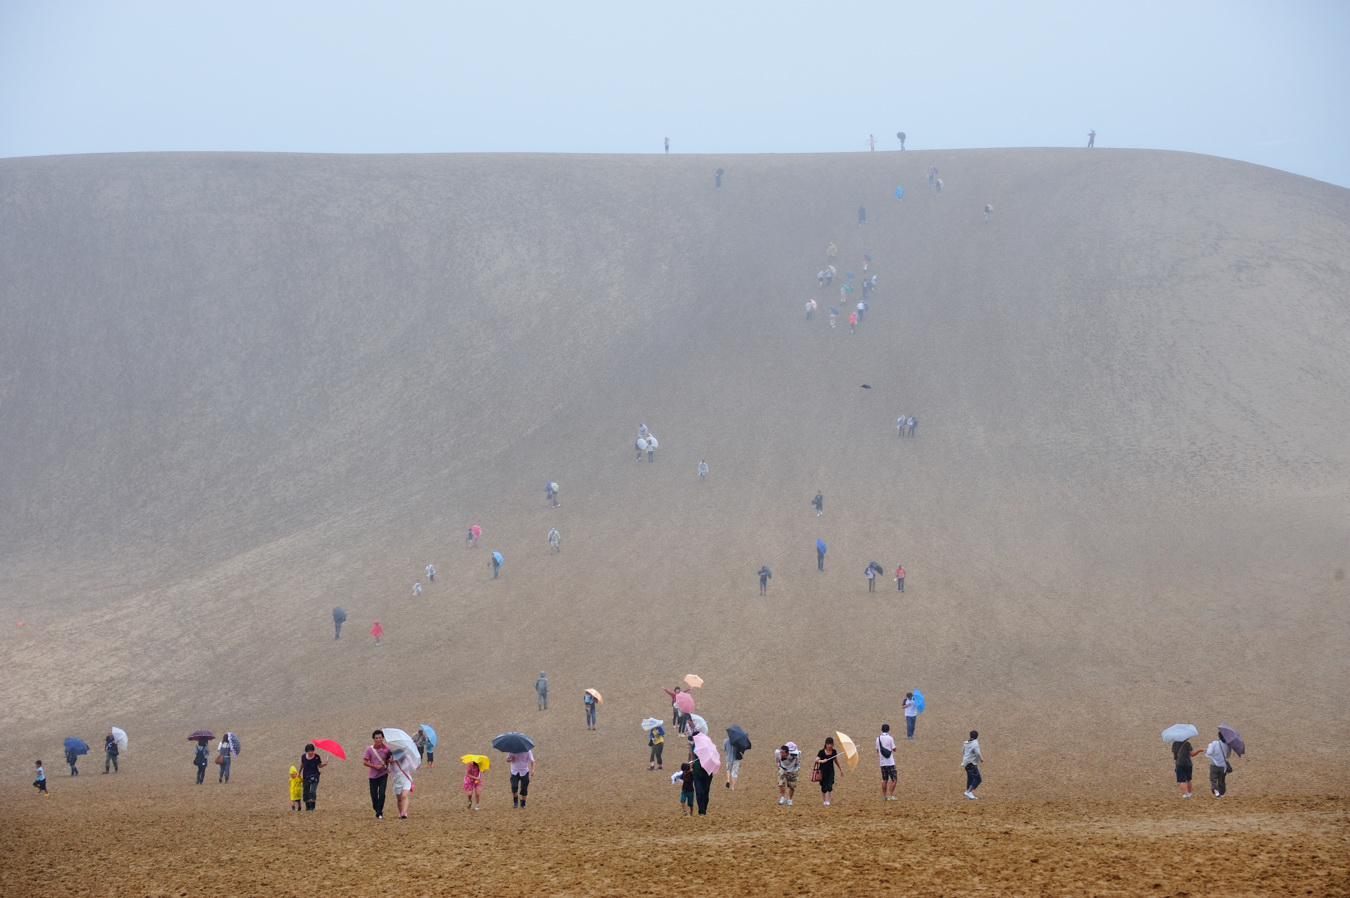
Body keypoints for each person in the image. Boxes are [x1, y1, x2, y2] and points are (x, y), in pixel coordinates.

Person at [815, 737, 843, 805]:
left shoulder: (834, 752)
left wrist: (840, 769)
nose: (829, 746)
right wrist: (822, 761)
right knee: (824, 786)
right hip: (822, 771)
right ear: (826, 744)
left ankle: (828, 800)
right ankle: (824, 800)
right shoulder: (821, 752)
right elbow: (817, 760)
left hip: (830, 771)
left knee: (830, 786)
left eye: (831, 744)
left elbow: (836, 761)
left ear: (833, 744)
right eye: (828, 744)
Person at [299, 743, 327, 811]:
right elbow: (302, 764)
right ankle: (307, 807)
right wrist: (299, 772)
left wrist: (324, 764)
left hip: (315, 775)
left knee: (312, 791)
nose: (310, 752)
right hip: (306, 776)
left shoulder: (317, 757)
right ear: (306, 751)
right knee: (306, 791)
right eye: (309, 751)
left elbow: (319, 765)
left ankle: (313, 807)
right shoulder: (303, 756)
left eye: (312, 751)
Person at [1206, 733, 1233, 798]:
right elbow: (1228, 755)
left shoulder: (1215, 743)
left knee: (1213, 780)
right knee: (1221, 780)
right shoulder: (1228, 745)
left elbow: (1209, 753)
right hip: (1223, 766)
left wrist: (1209, 746)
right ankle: (1222, 794)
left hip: (1214, 764)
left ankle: (1217, 793)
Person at [877, 724, 898, 800]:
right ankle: (890, 795)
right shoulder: (890, 738)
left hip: (882, 762)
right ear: (888, 730)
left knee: (884, 780)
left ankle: (884, 796)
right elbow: (894, 749)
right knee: (894, 779)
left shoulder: (878, 739)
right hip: (890, 762)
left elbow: (877, 750)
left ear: (881, 729)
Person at [962, 731, 984, 799]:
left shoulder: (966, 743)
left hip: (966, 763)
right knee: (978, 779)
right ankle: (968, 792)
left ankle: (969, 794)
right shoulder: (975, 744)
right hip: (972, 764)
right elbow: (977, 753)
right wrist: (981, 758)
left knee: (970, 778)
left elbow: (962, 751)